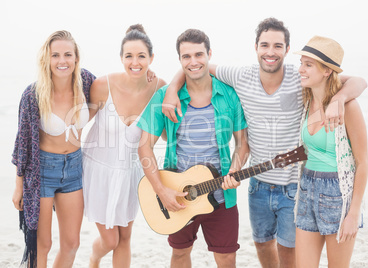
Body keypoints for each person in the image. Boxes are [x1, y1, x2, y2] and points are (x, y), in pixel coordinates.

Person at [161, 18, 367, 268]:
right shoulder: (241, 75)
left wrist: (340, 98)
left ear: (286, 50)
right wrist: (172, 88)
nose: (271, 52)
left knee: (289, 252)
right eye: (265, 45)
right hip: (257, 185)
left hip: (294, 186)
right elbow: (195, 66)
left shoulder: (300, 77)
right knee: (262, 245)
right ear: (256, 47)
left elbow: (358, 81)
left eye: (278, 46)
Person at [137, 29, 249, 267]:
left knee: (227, 257)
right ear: (180, 60)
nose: (193, 61)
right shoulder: (163, 98)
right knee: (179, 253)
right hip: (178, 194)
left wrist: (235, 170)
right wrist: (161, 190)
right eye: (186, 56)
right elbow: (144, 147)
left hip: (221, 195)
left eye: (199, 54)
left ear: (209, 54)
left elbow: (242, 143)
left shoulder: (229, 95)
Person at [82, 24, 165, 268]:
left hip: (131, 174)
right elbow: (76, 124)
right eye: (129, 56)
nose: (135, 62)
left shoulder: (159, 87)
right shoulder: (101, 85)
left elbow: (182, 86)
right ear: (121, 58)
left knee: (125, 239)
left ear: (151, 58)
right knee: (110, 240)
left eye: (141, 56)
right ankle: (94, 258)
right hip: (98, 171)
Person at [11, 30, 96, 267]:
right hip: (42, 173)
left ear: (76, 58)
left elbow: (118, 91)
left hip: (74, 170)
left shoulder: (87, 82)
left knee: (72, 243)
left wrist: (149, 79)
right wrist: (19, 186)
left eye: (68, 54)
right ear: (47, 59)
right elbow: (22, 143)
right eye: (55, 55)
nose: (62, 61)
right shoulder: (33, 94)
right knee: (41, 245)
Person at [294, 36, 368, 267]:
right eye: (301, 63)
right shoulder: (306, 102)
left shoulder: (348, 107)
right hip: (306, 189)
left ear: (327, 71)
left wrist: (353, 213)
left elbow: (362, 162)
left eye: (308, 65)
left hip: (337, 194)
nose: (301, 70)